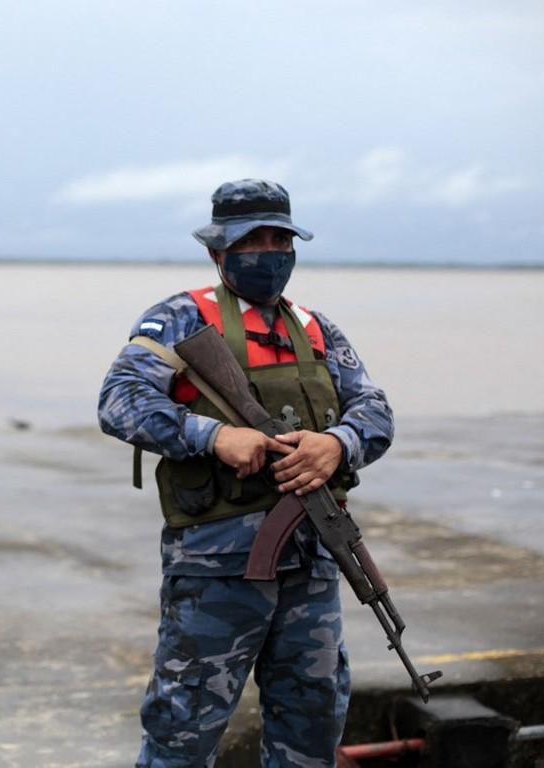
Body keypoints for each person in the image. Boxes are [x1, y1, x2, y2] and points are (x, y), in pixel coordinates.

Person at [97, 179, 394, 767]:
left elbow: (375, 409)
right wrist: (213, 436)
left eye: (279, 238)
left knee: (314, 719)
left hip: (311, 560)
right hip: (216, 567)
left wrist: (338, 444)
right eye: (252, 239)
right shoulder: (180, 318)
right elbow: (118, 399)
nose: (269, 251)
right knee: (183, 727)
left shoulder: (314, 328)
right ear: (218, 251)